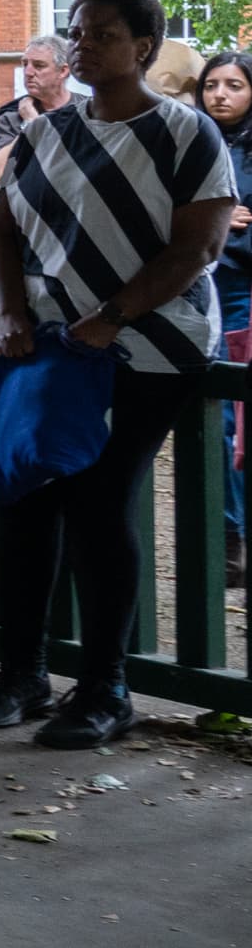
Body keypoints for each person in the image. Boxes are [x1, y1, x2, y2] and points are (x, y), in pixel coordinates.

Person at [0, 0, 236, 746]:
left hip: (150, 348)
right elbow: (3, 232)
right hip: (52, 344)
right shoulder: (46, 133)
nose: (82, 45)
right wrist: (11, 309)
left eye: (101, 34)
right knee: (20, 499)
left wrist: (114, 315)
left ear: (144, 46)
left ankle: (105, 687)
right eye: (77, 31)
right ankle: (21, 671)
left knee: (96, 498)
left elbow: (200, 246)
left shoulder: (187, 134)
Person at [200, 49, 252, 586]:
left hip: (243, 297)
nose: (221, 94)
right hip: (198, 293)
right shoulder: (193, 143)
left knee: (241, 421)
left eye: (234, 85)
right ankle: (227, 534)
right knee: (217, 421)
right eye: (212, 84)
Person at [0, 34, 73, 181]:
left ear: (63, 71)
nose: (28, 72)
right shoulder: (12, 117)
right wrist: (31, 125)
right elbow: (0, 176)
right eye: (25, 64)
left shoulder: (87, 110)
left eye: (39, 66)